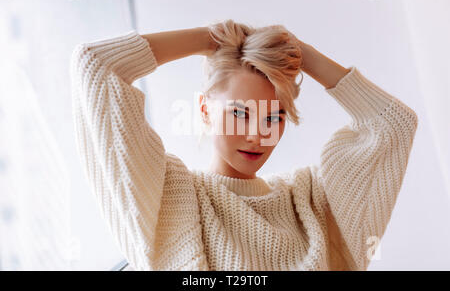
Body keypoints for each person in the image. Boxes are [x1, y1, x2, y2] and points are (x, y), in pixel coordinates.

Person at [70, 19, 418, 271]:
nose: (257, 135)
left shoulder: (309, 200)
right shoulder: (171, 196)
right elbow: (96, 65)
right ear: (205, 111)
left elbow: (393, 125)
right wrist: (208, 38)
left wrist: (303, 55)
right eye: (240, 113)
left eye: (274, 117)